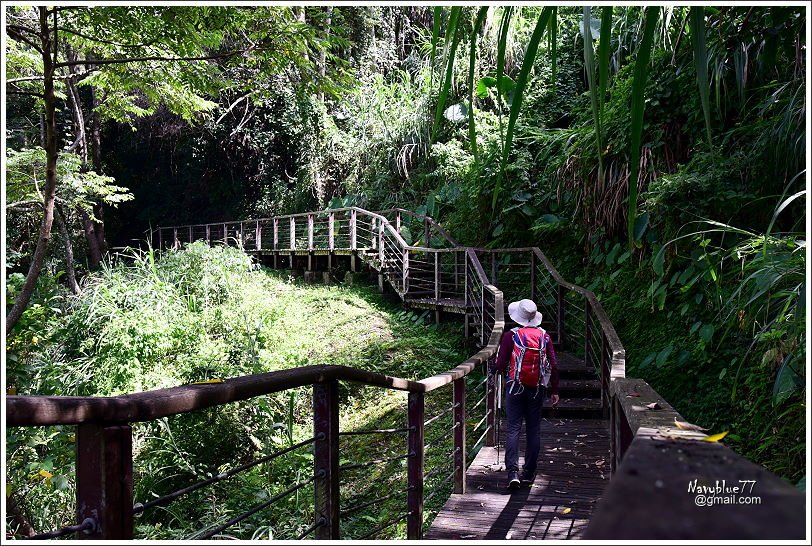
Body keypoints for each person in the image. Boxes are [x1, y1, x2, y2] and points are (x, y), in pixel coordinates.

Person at [491, 298, 559, 491]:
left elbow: (501, 364)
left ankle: (513, 473)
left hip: (515, 387)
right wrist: (554, 390)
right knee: (533, 430)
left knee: (513, 428)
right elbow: (553, 365)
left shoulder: (510, 336)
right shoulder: (544, 336)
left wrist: (493, 368)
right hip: (537, 388)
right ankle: (528, 473)